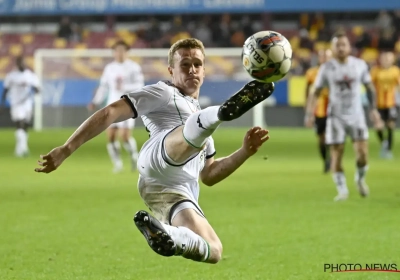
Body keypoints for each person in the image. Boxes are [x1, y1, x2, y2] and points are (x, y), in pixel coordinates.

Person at [34, 38, 275, 264]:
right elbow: (110, 113)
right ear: (171, 71)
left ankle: (169, 235)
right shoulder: (162, 92)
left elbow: (209, 175)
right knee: (194, 131)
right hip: (158, 158)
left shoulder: (199, 124)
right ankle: (222, 113)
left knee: (214, 250)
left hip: (173, 191)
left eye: (197, 64)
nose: (192, 69)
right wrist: (67, 148)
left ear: (204, 70)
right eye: (185, 64)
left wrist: (244, 152)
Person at [305, 32, 383, 201]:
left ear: (349, 47)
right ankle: (342, 190)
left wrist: (374, 110)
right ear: (332, 49)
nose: (340, 48)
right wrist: (309, 113)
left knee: (362, 154)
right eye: (337, 45)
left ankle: (360, 179)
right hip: (336, 118)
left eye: (343, 45)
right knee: (336, 154)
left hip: (357, 116)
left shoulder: (360, 65)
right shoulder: (326, 68)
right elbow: (316, 92)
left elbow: (370, 88)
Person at [88, 40, 144, 172]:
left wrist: (124, 87)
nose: (119, 53)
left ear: (127, 52)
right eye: (117, 50)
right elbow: (104, 86)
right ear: (114, 53)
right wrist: (95, 101)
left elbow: (140, 85)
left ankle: (134, 156)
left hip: (127, 105)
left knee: (125, 136)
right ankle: (117, 164)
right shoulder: (109, 68)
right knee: (111, 136)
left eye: (122, 50)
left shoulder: (134, 67)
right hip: (112, 105)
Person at [1, 56, 40, 157]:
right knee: (20, 124)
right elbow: (5, 90)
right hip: (16, 104)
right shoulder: (12, 76)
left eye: (24, 62)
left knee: (25, 126)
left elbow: (37, 88)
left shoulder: (30, 75)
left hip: (27, 104)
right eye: (21, 63)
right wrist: (2, 103)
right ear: (17, 64)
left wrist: (35, 88)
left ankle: (21, 148)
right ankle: (21, 150)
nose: (23, 64)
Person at [305, 49, 333, 173]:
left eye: (327, 56)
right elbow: (308, 91)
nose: (325, 58)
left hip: (333, 110)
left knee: (329, 136)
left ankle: (331, 159)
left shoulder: (335, 71)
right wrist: (308, 110)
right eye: (322, 56)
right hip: (318, 110)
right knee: (321, 138)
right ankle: (325, 160)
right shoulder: (312, 73)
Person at [370, 51, 400, 159]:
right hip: (379, 104)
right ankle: (384, 142)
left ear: (392, 60)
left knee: (390, 126)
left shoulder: (396, 71)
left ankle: (388, 151)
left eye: (388, 58)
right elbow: (370, 86)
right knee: (378, 126)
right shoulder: (375, 71)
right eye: (384, 58)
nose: (386, 61)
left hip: (391, 103)